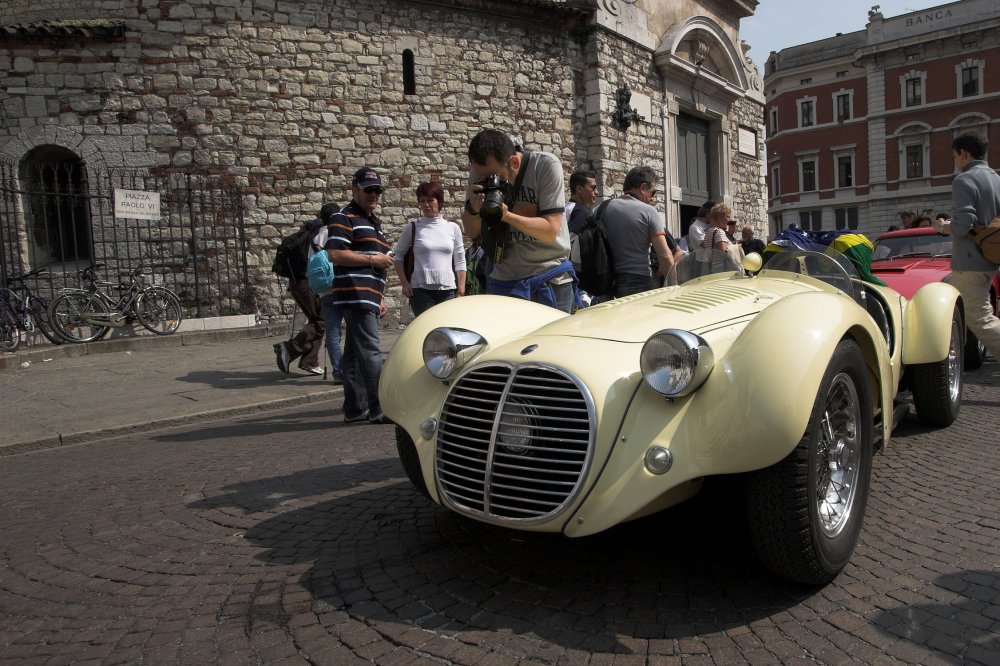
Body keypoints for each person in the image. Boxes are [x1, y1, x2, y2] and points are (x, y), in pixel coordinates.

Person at [460, 129, 576, 312]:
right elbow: (473, 233)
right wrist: (473, 210)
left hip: (548, 279)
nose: (486, 181)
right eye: (480, 176)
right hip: (503, 281)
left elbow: (550, 231)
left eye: (493, 176)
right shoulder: (479, 174)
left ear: (513, 162)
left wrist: (506, 216)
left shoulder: (544, 166)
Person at [326, 167, 395, 424]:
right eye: (368, 190)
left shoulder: (373, 221)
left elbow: (378, 263)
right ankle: (379, 406)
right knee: (370, 351)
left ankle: (354, 408)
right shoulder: (343, 217)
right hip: (354, 293)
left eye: (377, 190)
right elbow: (336, 254)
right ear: (354, 190)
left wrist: (380, 296)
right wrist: (373, 258)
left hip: (368, 294)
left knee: (355, 352)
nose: (374, 195)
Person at [947, 133, 1000, 359]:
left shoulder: (964, 180)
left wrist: (943, 227)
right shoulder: (996, 178)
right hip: (990, 257)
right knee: (953, 300)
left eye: (955, 157)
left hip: (970, 261)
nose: (956, 162)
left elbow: (962, 225)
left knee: (980, 318)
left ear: (964, 154)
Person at [600, 166, 679, 297]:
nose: (652, 198)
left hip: (603, 281)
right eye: (653, 192)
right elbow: (664, 256)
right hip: (637, 280)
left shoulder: (600, 209)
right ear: (643, 188)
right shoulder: (649, 212)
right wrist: (675, 286)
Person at [393, 181, 467, 317]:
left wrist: (461, 290)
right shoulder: (412, 228)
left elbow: (460, 261)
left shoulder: (453, 228)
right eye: (422, 201)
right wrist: (404, 283)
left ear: (439, 201)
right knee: (427, 330)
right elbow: (398, 257)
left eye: (430, 200)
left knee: (446, 330)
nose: (426, 204)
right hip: (420, 290)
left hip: (448, 290)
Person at [273, 204, 330, 376]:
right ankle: (289, 349)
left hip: (297, 280)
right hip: (309, 282)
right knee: (321, 320)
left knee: (317, 319)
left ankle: (309, 361)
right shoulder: (325, 232)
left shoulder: (309, 230)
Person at [565, 170, 599, 234]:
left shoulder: (564, 207)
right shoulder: (580, 212)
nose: (597, 192)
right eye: (593, 188)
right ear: (579, 189)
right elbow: (571, 240)